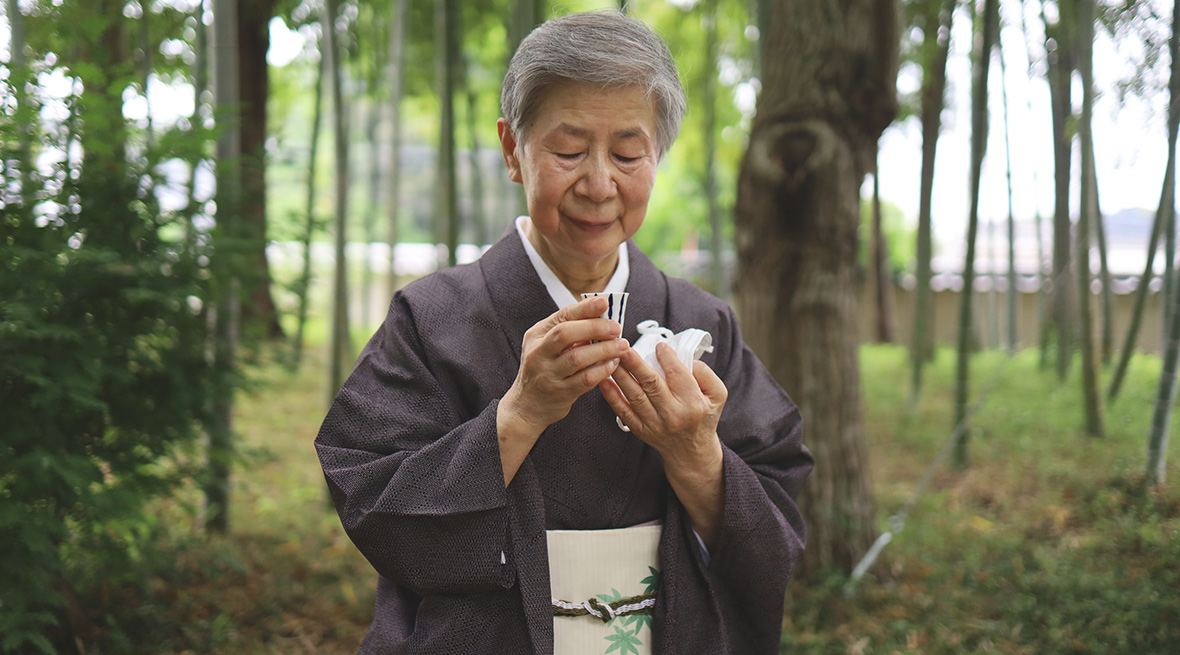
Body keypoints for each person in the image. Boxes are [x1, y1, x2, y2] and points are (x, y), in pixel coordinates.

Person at [315, 11, 812, 655]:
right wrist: (521, 412)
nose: (599, 184)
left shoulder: (701, 323)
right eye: (569, 151)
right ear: (511, 150)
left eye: (628, 153)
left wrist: (695, 454)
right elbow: (373, 504)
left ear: (656, 154)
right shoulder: (433, 318)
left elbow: (776, 523)